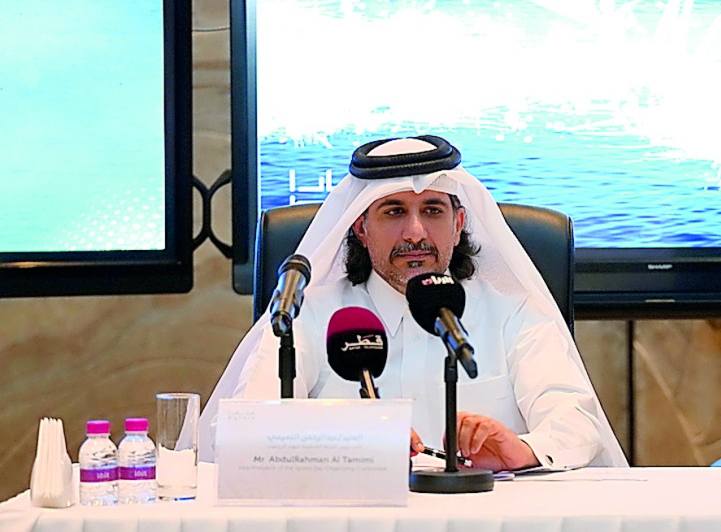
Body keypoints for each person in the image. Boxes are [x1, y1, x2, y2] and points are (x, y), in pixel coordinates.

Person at [201, 135, 627, 471]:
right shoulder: (310, 315)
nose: (416, 233)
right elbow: (242, 426)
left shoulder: (513, 311)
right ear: (361, 228)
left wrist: (521, 450)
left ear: (459, 224)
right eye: (393, 212)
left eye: (434, 211)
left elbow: (576, 422)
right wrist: (344, 436)